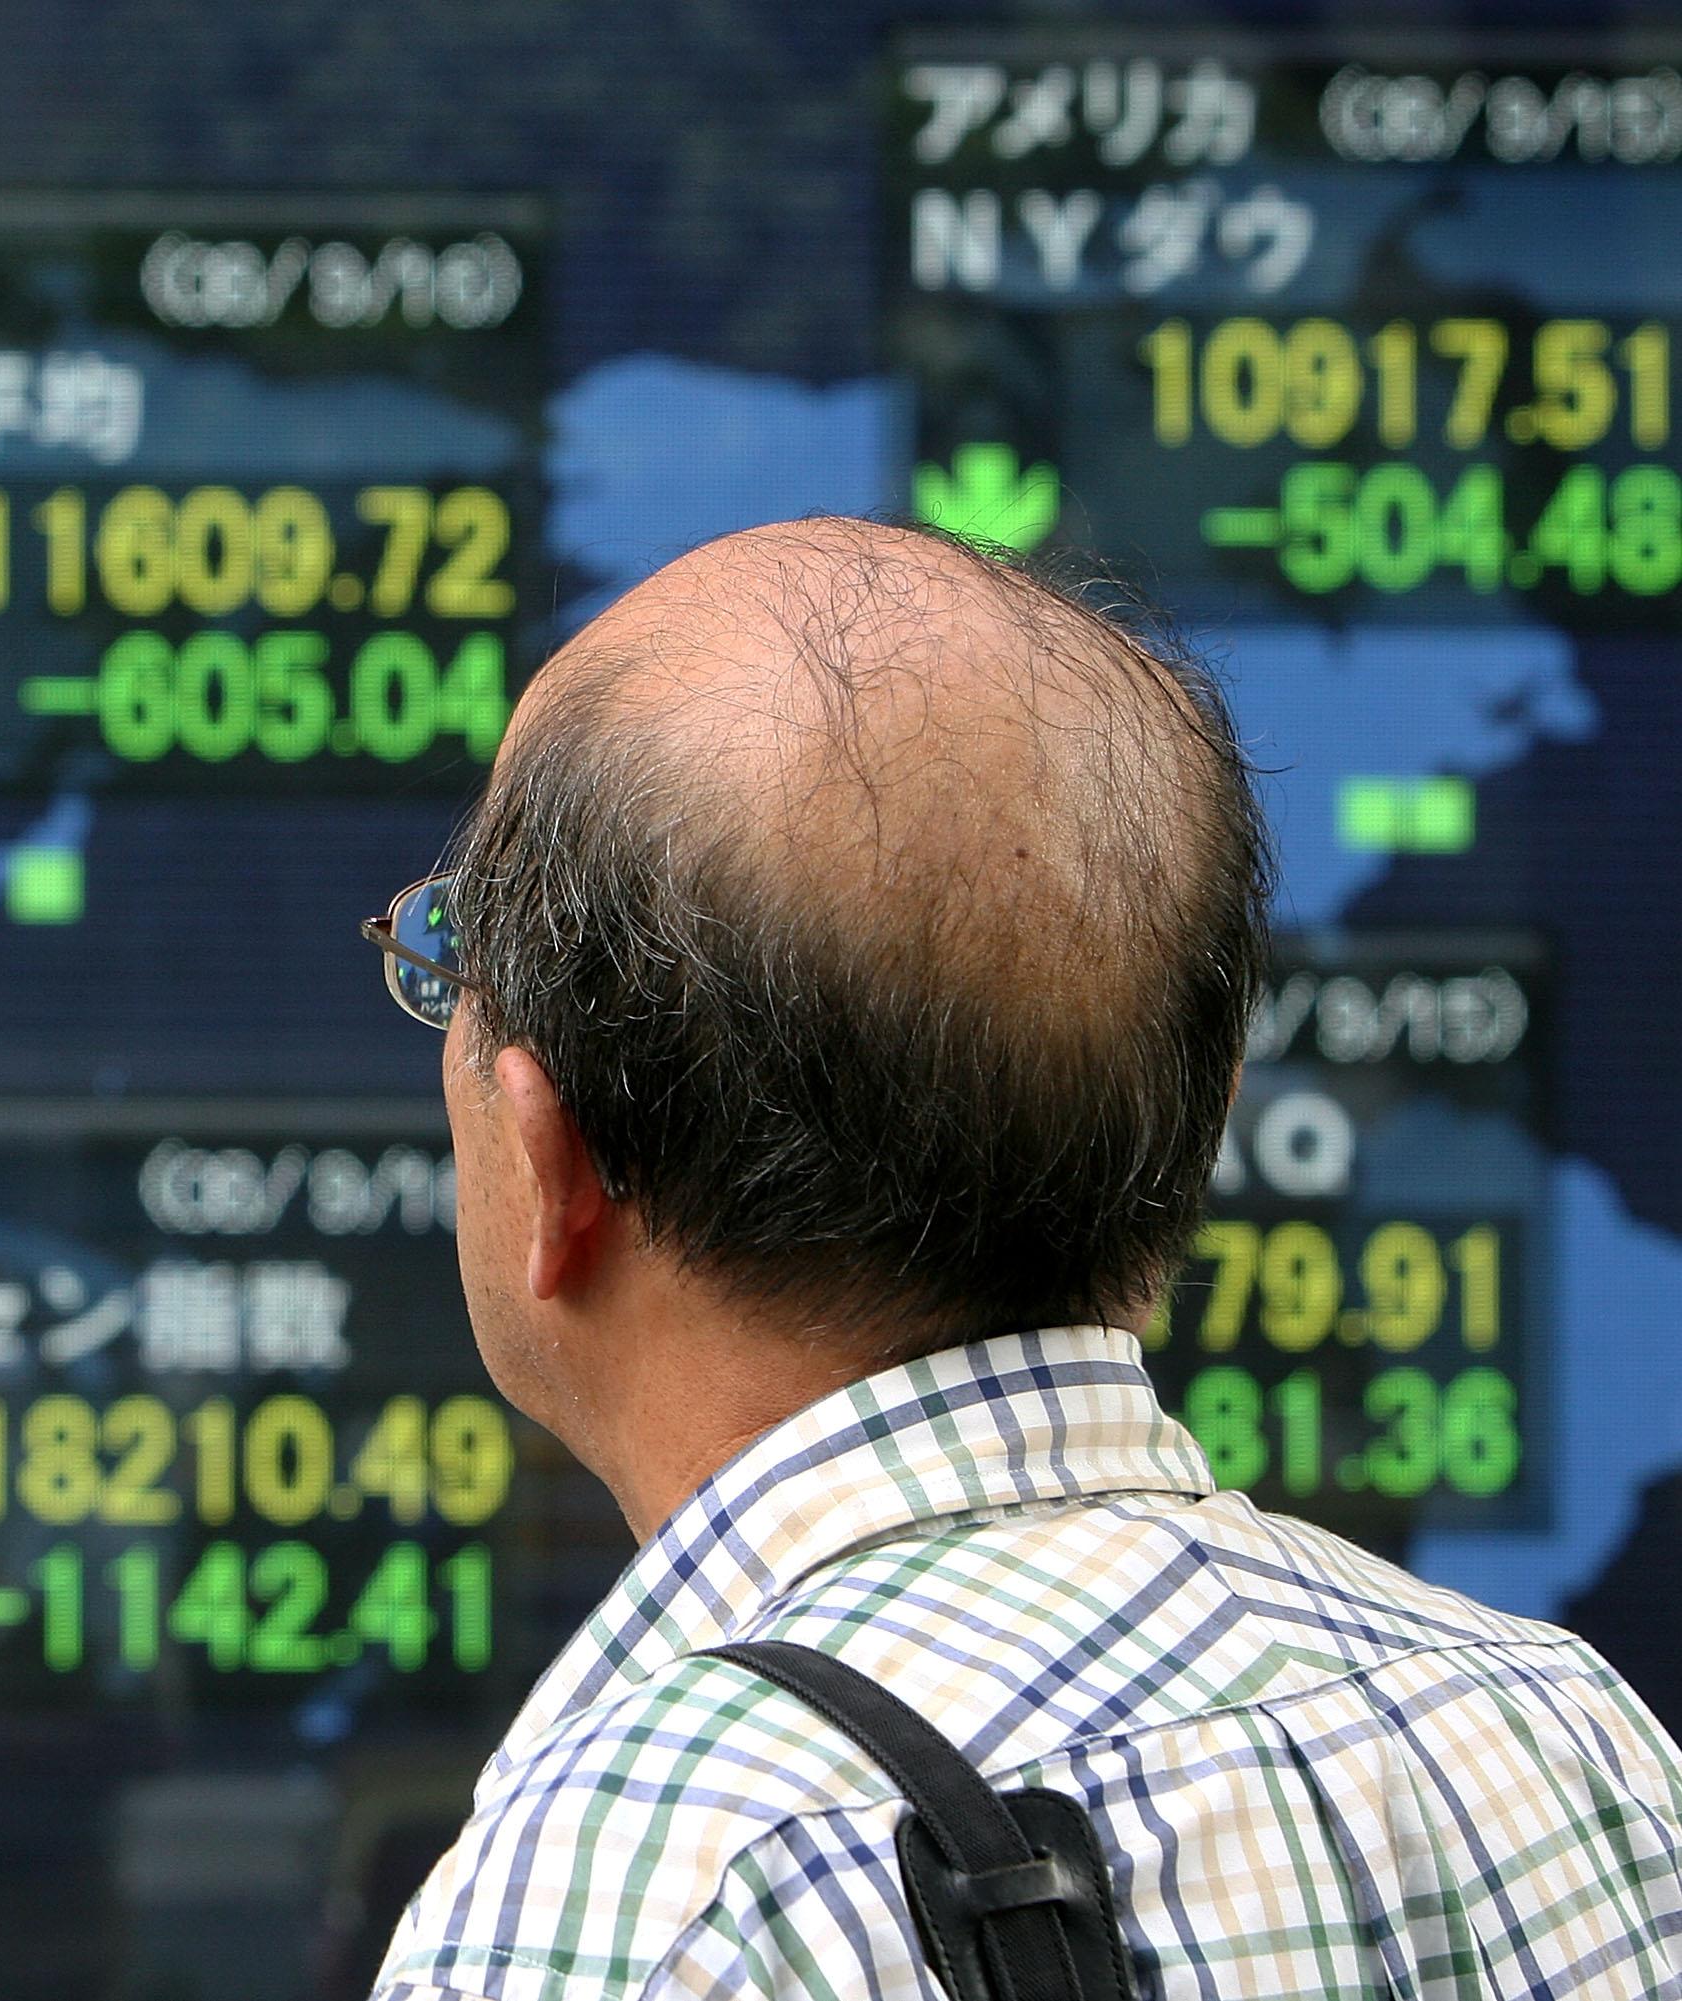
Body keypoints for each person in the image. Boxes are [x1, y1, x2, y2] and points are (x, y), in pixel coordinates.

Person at [356, 518, 1682, 1999]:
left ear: (552, 1163)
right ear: (1209, 1107)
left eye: (445, 965)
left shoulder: (639, 1900)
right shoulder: (1569, 1739)